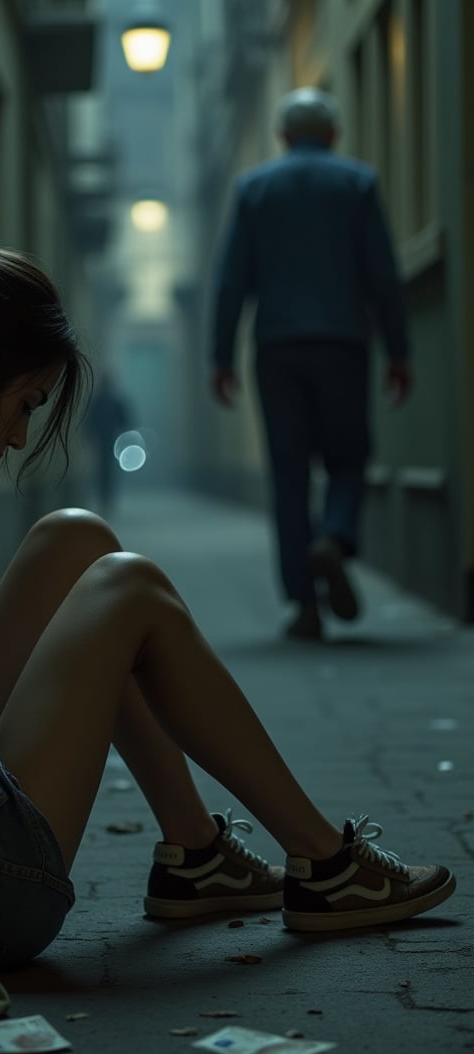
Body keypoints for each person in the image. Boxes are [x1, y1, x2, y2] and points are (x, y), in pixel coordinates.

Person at [0, 216, 454, 1023]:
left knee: (76, 540)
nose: (19, 436)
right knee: (126, 588)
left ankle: (195, 852)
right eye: (24, 404)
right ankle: (329, 863)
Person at [211, 87, 412, 640]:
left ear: (281, 136)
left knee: (289, 472)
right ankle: (336, 535)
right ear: (334, 135)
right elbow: (383, 276)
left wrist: (221, 356)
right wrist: (399, 351)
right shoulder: (357, 184)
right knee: (348, 458)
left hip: (277, 347)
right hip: (343, 342)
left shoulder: (254, 189)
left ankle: (304, 604)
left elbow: (232, 281)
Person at [83, 371, 133, 514]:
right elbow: (125, 421)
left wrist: (90, 434)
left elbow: (89, 421)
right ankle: (108, 498)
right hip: (111, 440)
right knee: (109, 470)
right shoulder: (114, 401)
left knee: (102, 470)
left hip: (102, 440)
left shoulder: (97, 401)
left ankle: (104, 498)